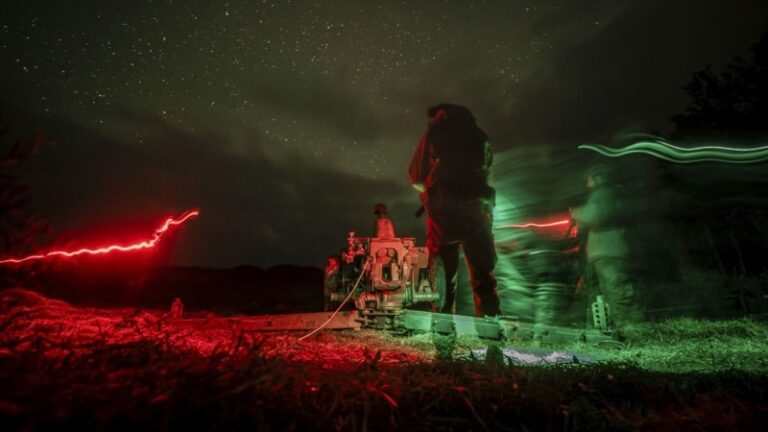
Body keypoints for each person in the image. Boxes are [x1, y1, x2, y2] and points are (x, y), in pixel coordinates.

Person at [408, 103, 501, 317]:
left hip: (444, 212)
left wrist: (430, 193)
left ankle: (443, 328)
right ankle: (491, 329)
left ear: (440, 115)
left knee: (443, 273)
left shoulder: (435, 132)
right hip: (477, 211)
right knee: (483, 277)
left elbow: (415, 175)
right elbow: (487, 168)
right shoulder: (479, 135)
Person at [570, 164, 644, 328]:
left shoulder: (603, 193)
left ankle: (631, 328)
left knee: (618, 291)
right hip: (605, 253)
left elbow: (596, 215)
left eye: (589, 179)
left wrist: (576, 213)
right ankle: (612, 328)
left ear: (598, 178)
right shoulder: (608, 194)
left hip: (609, 252)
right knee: (606, 292)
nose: (587, 182)